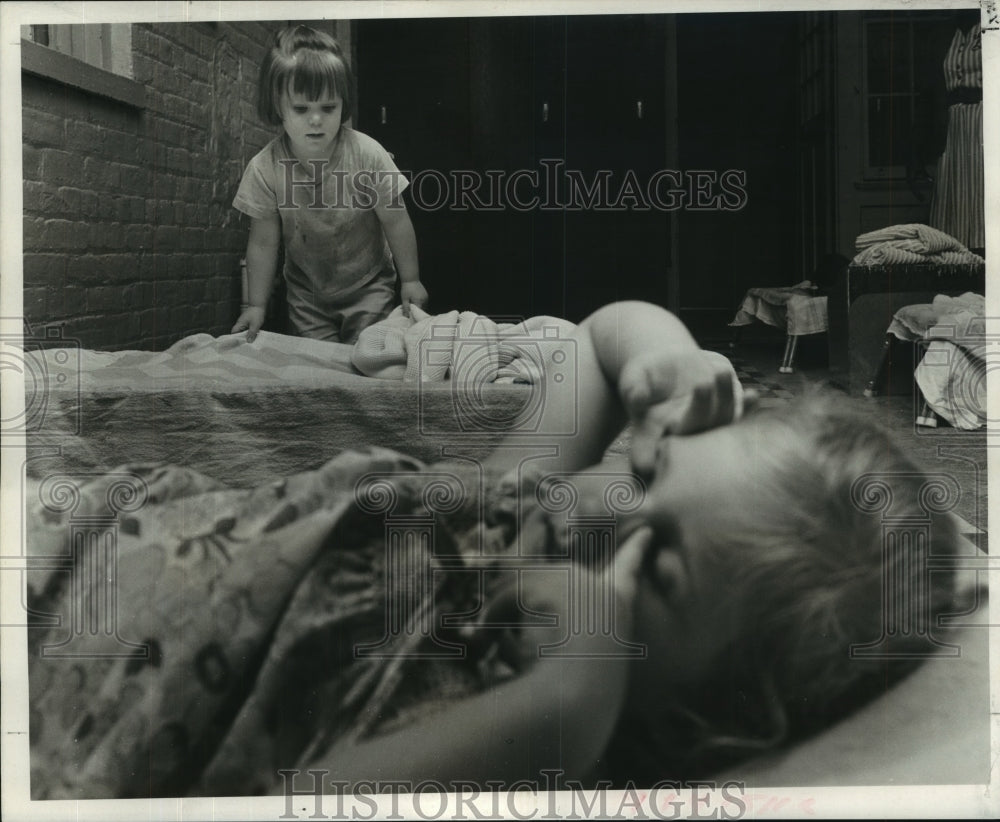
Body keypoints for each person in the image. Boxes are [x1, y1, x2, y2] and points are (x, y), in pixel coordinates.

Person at [26, 302, 960, 798]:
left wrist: (557, 710)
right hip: (83, 527)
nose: (604, 516)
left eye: (656, 567)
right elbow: (599, 337)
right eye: (647, 470)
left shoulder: (506, 717)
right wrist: (668, 359)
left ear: (695, 724)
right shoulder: (518, 504)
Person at [231, 25, 428, 344]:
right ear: (277, 106)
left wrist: (411, 279)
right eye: (301, 108)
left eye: (328, 107)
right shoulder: (265, 168)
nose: (316, 120)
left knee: (369, 360)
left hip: (369, 286)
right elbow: (263, 243)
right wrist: (256, 304)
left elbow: (396, 219)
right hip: (307, 294)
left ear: (343, 103)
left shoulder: (367, 155)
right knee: (316, 371)